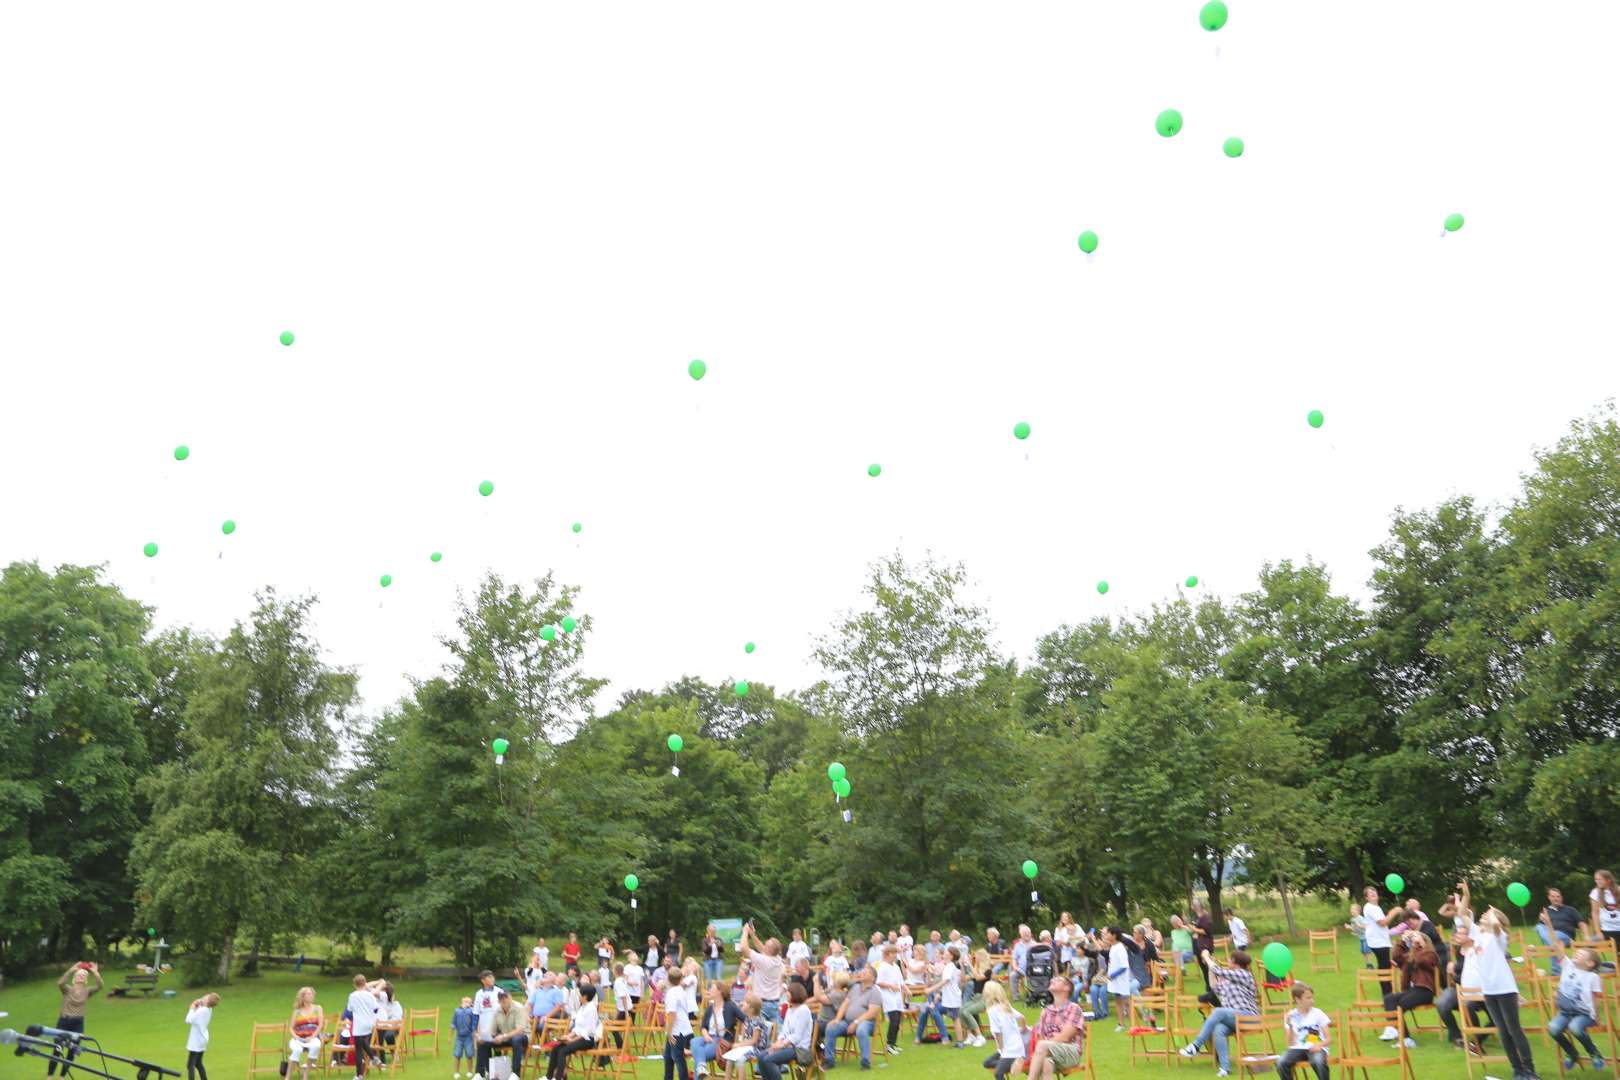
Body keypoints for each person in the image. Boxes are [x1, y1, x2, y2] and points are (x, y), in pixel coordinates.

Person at [1459, 884, 1541, 1080]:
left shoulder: (1499, 936)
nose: (1483, 917)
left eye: (1486, 915)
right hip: (1489, 991)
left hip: (1505, 989)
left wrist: (1493, 914)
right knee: (1504, 1032)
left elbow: (1496, 926)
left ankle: (1529, 1069)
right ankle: (1517, 1070)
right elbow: (1462, 913)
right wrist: (1466, 894)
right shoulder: (1478, 934)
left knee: (1514, 1030)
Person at [1178, 950, 1260, 1077]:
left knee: (1218, 1011)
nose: (1228, 962)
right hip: (1234, 1018)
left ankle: (1196, 1045)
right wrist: (1210, 965)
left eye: (1230, 960)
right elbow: (1214, 986)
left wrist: (1206, 957)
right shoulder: (1229, 981)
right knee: (1218, 1029)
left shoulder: (1244, 974)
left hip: (1248, 1017)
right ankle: (1225, 1068)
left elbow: (1219, 971)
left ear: (1235, 962)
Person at [1542, 913, 1607, 1072]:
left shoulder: (1593, 977)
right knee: (1553, 1028)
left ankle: (1594, 1053)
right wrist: (1549, 925)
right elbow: (1556, 945)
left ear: (1590, 963)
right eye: (1577, 953)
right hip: (1564, 1012)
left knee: (1576, 1028)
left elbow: (1595, 998)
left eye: (1581, 954)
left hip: (1584, 1014)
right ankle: (1572, 1053)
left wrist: (1597, 1017)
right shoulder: (1568, 966)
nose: (1576, 953)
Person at [1382, 918, 1437, 1048]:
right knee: (1389, 999)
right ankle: (1397, 1030)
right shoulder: (1410, 955)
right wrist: (1403, 941)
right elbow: (1396, 956)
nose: (1414, 940)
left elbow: (1423, 962)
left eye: (1417, 938)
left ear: (1425, 942)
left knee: (1399, 1005)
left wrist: (1418, 947)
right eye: (1413, 939)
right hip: (1411, 991)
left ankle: (1404, 1037)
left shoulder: (1430, 954)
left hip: (1425, 991)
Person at [1024, 974, 1085, 1080]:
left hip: (1070, 1052)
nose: (1052, 980)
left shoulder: (1074, 1008)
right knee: (1045, 1062)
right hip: (1047, 1053)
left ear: (1067, 988)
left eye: (1057, 980)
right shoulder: (1046, 1011)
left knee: (1042, 1046)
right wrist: (1047, 1043)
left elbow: (1065, 1037)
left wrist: (1046, 1043)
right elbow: (1040, 1038)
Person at [48, 961, 103, 1077]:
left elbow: (100, 986)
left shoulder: (87, 991)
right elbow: (60, 983)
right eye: (79, 974)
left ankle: (62, 1076)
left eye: (84, 975)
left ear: (86, 979)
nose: (81, 976)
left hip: (78, 1023)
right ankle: (50, 1076)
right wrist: (72, 970)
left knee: (72, 1051)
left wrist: (95, 972)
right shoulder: (67, 990)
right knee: (57, 1049)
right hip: (64, 1022)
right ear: (75, 978)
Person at [825, 966, 881, 1070]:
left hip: (867, 1023)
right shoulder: (855, 988)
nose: (863, 973)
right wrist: (837, 1019)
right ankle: (829, 1060)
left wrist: (856, 1023)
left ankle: (865, 1062)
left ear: (873, 978)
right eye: (863, 971)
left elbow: (872, 1012)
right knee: (831, 1027)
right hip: (847, 1022)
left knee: (861, 1029)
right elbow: (845, 1004)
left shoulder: (875, 991)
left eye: (866, 972)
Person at [756, 983, 813, 1080]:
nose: (786, 994)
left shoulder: (804, 1011)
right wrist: (778, 1042)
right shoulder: (790, 1010)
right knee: (761, 1057)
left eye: (788, 992)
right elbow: (784, 1032)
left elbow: (797, 1037)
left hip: (799, 1049)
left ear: (795, 994)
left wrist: (781, 1045)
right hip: (787, 1046)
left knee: (769, 1060)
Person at [1275, 982, 1330, 1080]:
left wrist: (1319, 1045)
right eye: (1308, 998)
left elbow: (1328, 1039)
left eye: (1312, 997)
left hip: (1316, 1047)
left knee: (1317, 1061)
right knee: (1281, 1062)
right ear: (1297, 999)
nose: (1312, 1001)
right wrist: (1290, 1025)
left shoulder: (1318, 1013)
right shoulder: (1290, 1015)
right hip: (1298, 1048)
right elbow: (1290, 1044)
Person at [545, 982, 600, 1079]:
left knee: (563, 1051)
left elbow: (587, 1031)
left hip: (587, 1040)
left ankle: (559, 1077)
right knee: (555, 1049)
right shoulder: (582, 1008)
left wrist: (572, 1040)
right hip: (577, 1037)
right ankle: (548, 1077)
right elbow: (577, 1028)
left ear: (585, 996)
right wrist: (568, 1036)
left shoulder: (591, 1009)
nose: (578, 996)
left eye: (580, 994)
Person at [693, 977, 743, 1078]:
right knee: (694, 1041)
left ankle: (700, 1067)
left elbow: (746, 1019)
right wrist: (705, 1035)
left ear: (719, 991)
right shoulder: (710, 1008)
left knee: (699, 1055)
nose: (709, 990)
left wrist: (742, 1038)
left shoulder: (730, 1006)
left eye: (712, 988)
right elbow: (703, 1026)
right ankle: (701, 1067)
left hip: (722, 1041)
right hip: (708, 1037)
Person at [738, 921, 786, 1022]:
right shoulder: (777, 959)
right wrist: (752, 934)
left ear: (769, 950)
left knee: (760, 1034)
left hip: (762, 1004)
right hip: (774, 1004)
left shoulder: (764, 961)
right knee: (772, 1034)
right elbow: (762, 948)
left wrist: (745, 932)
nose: (764, 946)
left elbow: (743, 948)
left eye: (766, 945)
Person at [980, 981, 1026, 1080]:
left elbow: (997, 1032)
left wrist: (1001, 1050)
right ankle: (1014, 1063)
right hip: (1016, 1046)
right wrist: (1024, 1029)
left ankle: (1014, 1062)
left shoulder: (992, 1010)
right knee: (987, 1063)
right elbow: (1022, 1017)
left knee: (998, 1073)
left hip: (1009, 1050)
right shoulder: (1005, 1006)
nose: (983, 991)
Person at [478, 989, 529, 1078]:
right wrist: (488, 1037)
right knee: (483, 1042)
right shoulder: (497, 1011)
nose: (504, 1000)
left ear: (510, 997)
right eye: (501, 998)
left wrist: (503, 1036)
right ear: (498, 1001)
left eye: (506, 997)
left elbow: (520, 1030)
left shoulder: (519, 1008)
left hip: (523, 1036)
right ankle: (483, 1073)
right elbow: (492, 1030)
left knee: (516, 1039)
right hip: (505, 1037)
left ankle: (515, 1074)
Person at [1537, 888, 1589, 974]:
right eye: (1553, 896)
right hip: (1551, 935)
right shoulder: (1546, 911)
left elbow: (1581, 923)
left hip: (1566, 936)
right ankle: (1551, 942)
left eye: (1558, 896)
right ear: (1549, 897)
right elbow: (1541, 928)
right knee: (1539, 927)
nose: (1555, 898)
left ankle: (1556, 972)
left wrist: (1586, 935)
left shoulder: (1570, 910)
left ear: (1561, 898)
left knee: (1551, 939)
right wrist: (1543, 920)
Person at [346, 974, 385, 1079]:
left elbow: (349, 1010)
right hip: (369, 1022)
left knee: (358, 1048)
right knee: (363, 1042)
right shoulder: (369, 995)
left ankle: (359, 1075)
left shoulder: (353, 995)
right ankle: (373, 1057)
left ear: (355, 984)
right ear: (365, 983)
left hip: (359, 1023)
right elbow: (376, 1009)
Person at [1362, 886, 1397, 996]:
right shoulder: (1370, 907)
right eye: (1370, 893)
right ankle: (1387, 993)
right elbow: (1382, 922)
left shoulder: (1376, 907)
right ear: (1366, 897)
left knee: (1385, 965)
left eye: (1374, 892)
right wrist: (1394, 911)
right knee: (1384, 966)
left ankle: (1388, 991)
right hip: (1378, 943)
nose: (1373, 893)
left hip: (1381, 941)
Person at [661, 968, 694, 1080]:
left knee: (678, 1058)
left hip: (677, 1031)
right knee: (668, 1057)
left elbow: (672, 1014)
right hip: (684, 1028)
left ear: (668, 980)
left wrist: (669, 1032)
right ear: (680, 979)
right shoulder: (681, 990)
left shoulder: (672, 993)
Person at [874, 944, 906, 1056]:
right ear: (888, 954)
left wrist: (905, 989)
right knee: (893, 1020)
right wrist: (891, 986)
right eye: (894, 953)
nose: (895, 955)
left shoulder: (896, 967)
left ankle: (893, 1044)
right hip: (888, 997)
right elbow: (878, 982)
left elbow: (901, 981)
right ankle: (889, 1045)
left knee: (898, 1021)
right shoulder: (882, 967)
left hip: (897, 997)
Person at [288, 988, 326, 1080]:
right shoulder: (297, 1011)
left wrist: (312, 1037)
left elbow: (320, 1025)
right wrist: (295, 1036)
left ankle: (305, 1074)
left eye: (311, 994)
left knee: (316, 1046)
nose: (311, 996)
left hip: (312, 1037)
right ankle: (287, 1077)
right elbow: (291, 1027)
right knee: (296, 1050)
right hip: (298, 1038)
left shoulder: (318, 1008)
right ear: (303, 997)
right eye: (308, 994)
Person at [1104, 926, 1133, 1031]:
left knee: (1126, 1002)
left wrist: (1113, 975)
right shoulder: (1113, 947)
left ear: (1114, 935)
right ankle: (1121, 1024)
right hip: (1114, 980)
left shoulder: (1120, 948)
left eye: (1108, 933)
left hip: (1121, 980)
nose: (1106, 935)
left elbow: (1124, 966)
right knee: (1118, 1001)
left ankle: (1133, 1025)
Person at [184, 992, 219, 1080]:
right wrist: (199, 1002)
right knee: (198, 1063)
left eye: (207, 997)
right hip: (202, 1039)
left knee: (190, 1065)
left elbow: (188, 1020)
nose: (204, 997)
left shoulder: (201, 1011)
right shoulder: (208, 1009)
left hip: (196, 1041)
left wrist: (191, 1008)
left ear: (207, 1001)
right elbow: (202, 1002)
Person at [449, 996, 478, 1080]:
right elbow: (453, 1024)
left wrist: (474, 1034)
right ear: (461, 1003)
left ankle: (469, 1071)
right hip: (459, 1037)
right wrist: (450, 1036)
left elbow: (474, 1023)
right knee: (457, 1054)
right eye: (464, 1001)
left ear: (471, 1004)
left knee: (469, 1054)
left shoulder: (471, 1011)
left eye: (468, 1002)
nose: (466, 1003)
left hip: (469, 1036)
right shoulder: (457, 1011)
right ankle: (456, 1072)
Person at [1591, 870, 1620, 949]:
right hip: (1606, 930)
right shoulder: (1595, 892)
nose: (1597, 882)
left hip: (1618, 928)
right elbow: (1595, 913)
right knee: (1589, 946)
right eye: (1596, 879)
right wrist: (1598, 932)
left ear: (1608, 880)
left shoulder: (1618, 890)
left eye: (1600, 879)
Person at [1344, 902, 1371, 968]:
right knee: (1363, 952)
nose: (1351, 910)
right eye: (1351, 909)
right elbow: (1355, 929)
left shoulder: (1360, 918)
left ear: (1358, 911)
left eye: (1353, 909)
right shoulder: (1352, 919)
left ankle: (1370, 965)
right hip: (1361, 938)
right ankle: (1367, 964)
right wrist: (1349, 927)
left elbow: (1366, 926)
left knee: (1366, 951)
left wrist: (1359, 925)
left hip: (1366, 937)